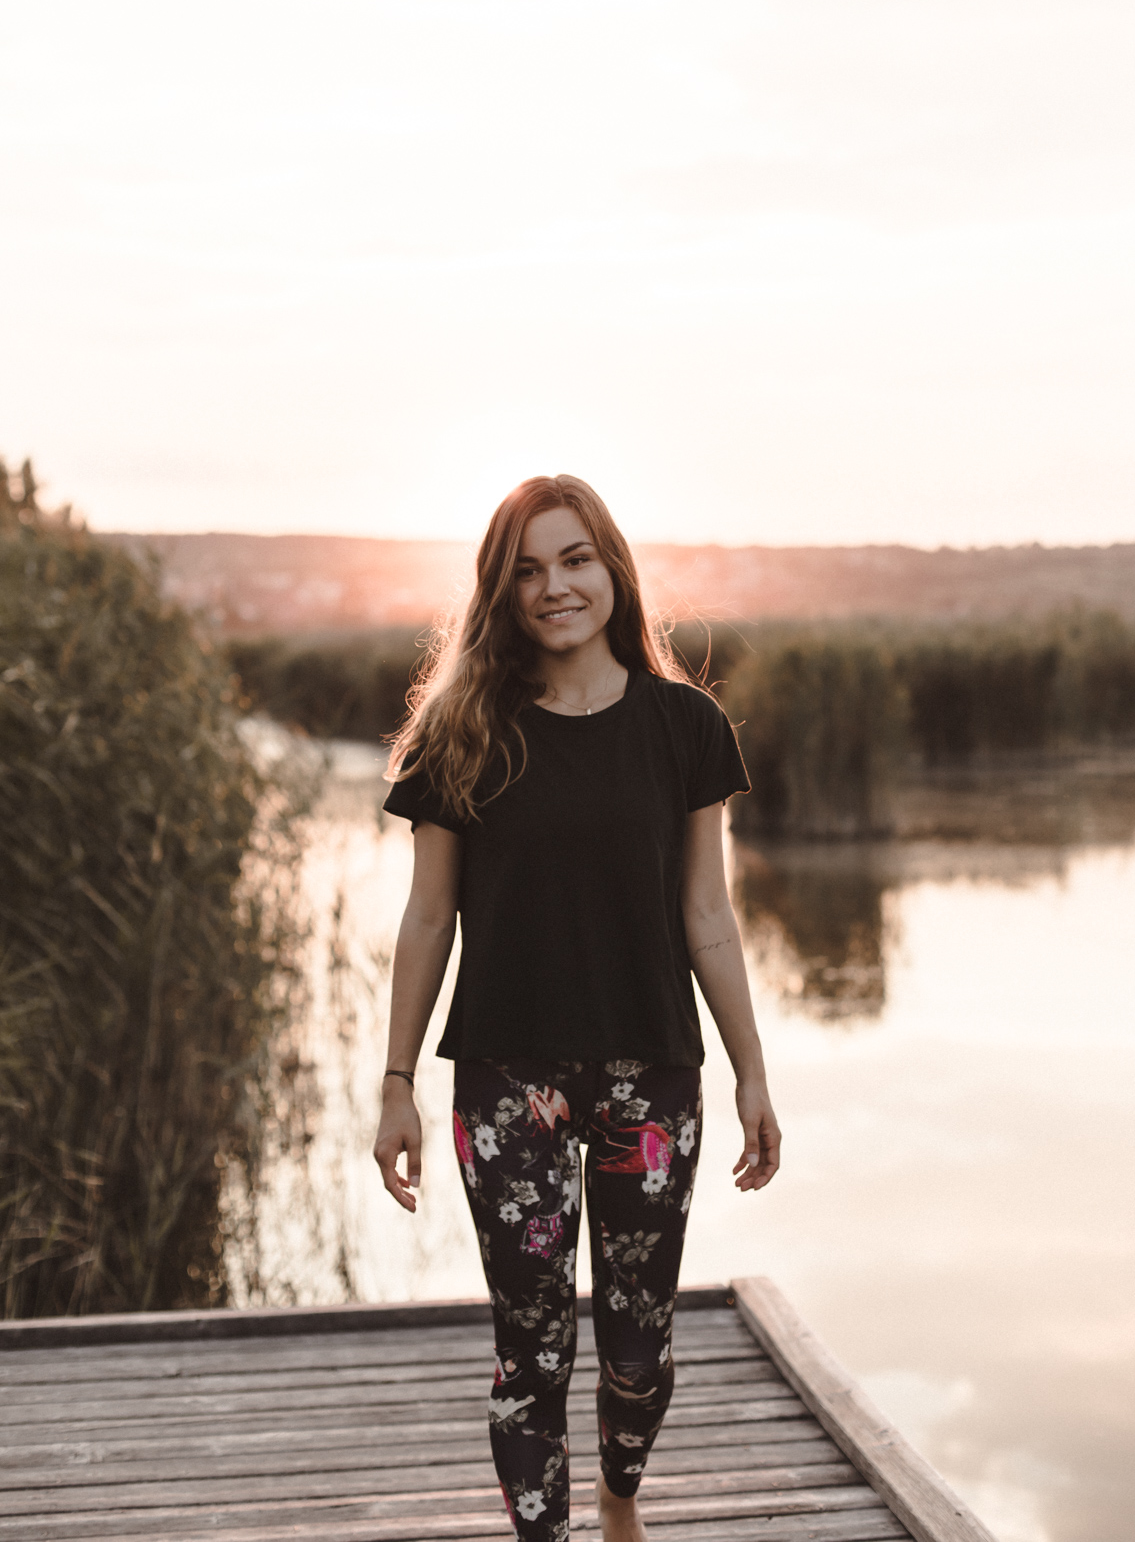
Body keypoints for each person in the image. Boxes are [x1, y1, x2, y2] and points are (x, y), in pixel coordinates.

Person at [373, 474, 780, 1542]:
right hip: (507, 1082)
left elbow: (706, 913)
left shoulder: (685, 725)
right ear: (500, 593)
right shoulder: (462, 731)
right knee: (533, 1347)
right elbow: (427, 918)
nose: (554, 586)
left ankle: (618, 1496)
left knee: (638, 1348)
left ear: (611, 569)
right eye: (527, 571)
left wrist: (750, 1070)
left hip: (654, 1076)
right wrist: (397, 1081)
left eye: (574, 559)